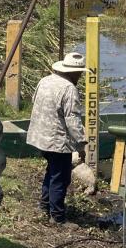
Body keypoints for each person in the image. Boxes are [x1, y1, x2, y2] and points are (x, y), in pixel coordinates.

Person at [26, 52, 87, 225]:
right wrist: (81, 144)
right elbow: (72, 120)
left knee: (52, 171)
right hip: (56, 141)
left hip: (39, 136)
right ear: (73, 72)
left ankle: (44, 205)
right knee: (61, 177)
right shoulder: (69, 89)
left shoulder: (44, 80)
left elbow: (34, 101)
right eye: (80, 73)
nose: (81, 76)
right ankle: (58, 217)